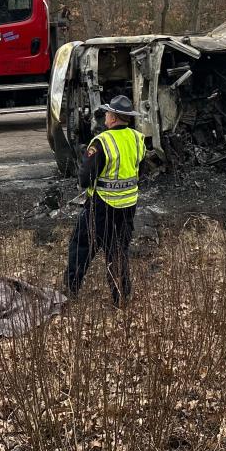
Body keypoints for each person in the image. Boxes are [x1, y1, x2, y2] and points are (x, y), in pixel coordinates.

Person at [64, 94, 146, 307]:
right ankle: (121, 297)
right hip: (128, 206)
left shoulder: (101, 142)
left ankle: (70, 291)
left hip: (102, 205)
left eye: (108, 113)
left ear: (113, 117)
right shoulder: (138, 138)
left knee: (82, 246)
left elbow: (84, 179)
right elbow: (140, 170)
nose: (106, 116)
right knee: (117, 251)